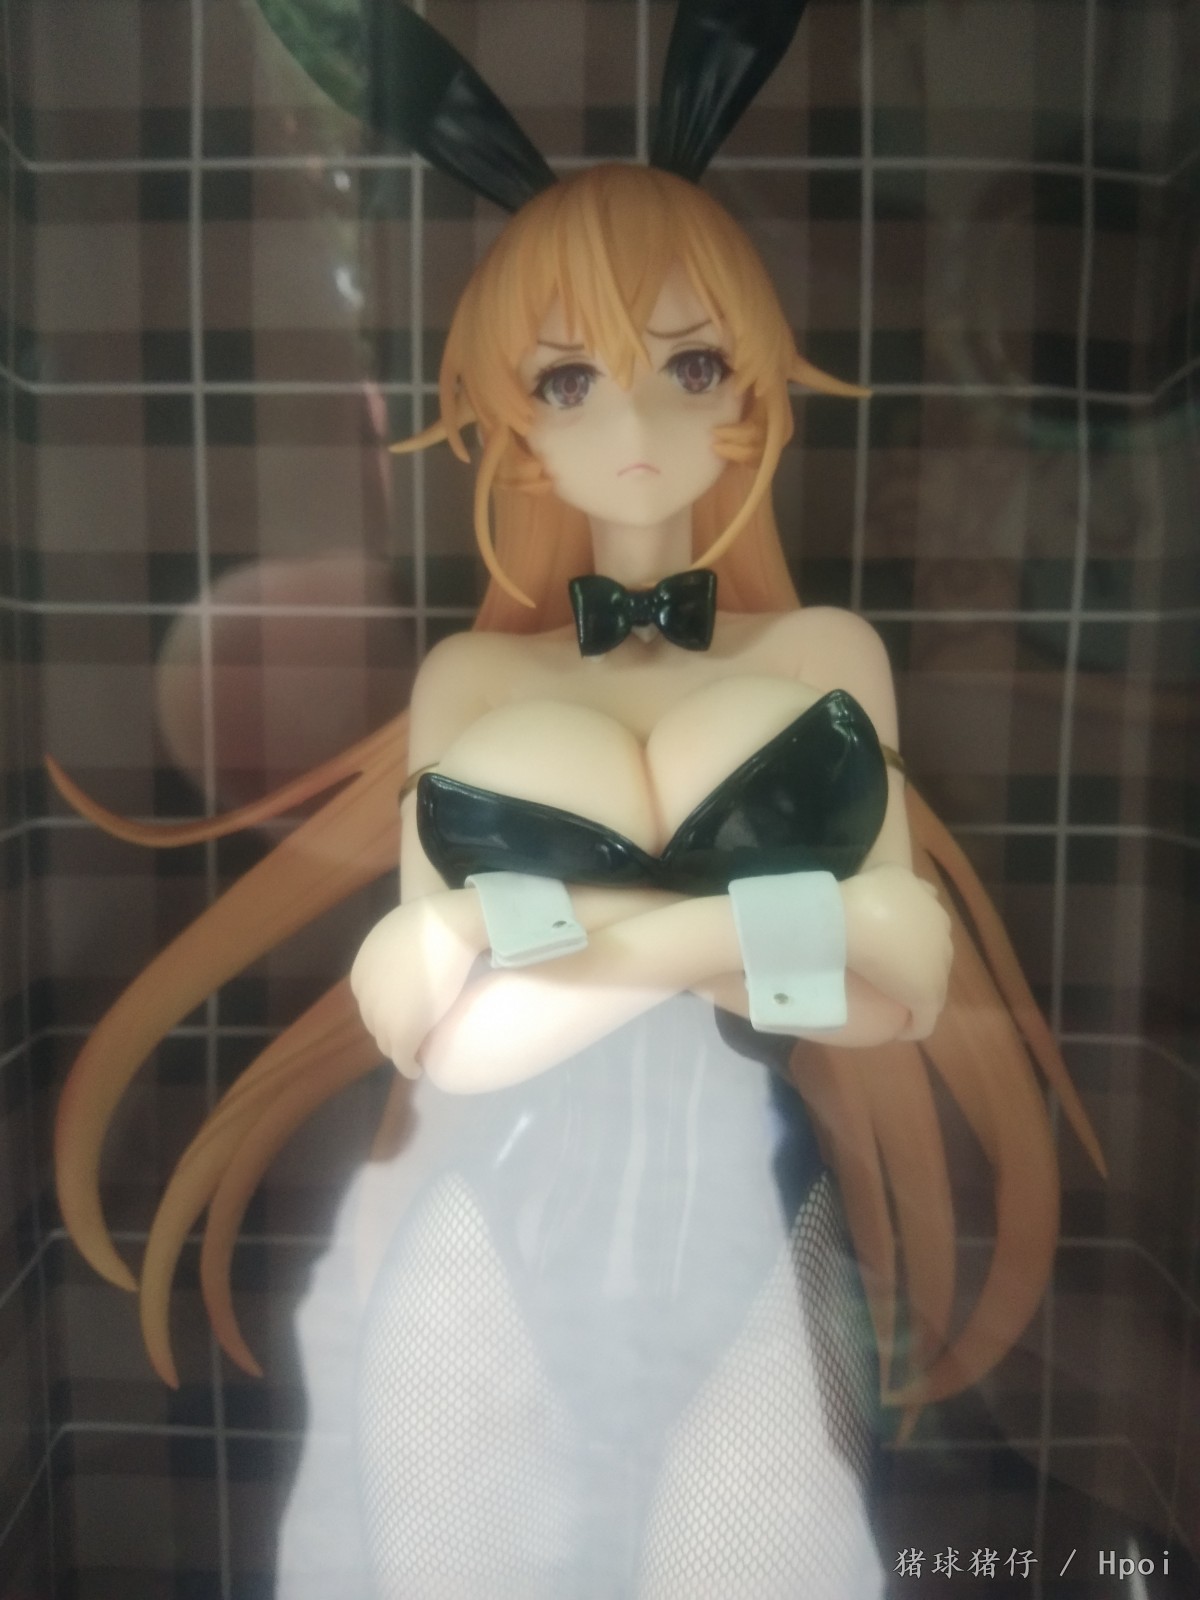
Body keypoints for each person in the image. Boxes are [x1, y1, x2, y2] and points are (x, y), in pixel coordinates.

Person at [49, 6, 1103, 1596]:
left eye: (690, 363)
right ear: (510, 412)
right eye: (569, 376)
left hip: (760, 1220)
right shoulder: (475, 682)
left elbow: (901, 982)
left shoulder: (825, 655)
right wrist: (743, 933)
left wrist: (560, 938)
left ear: (750, 383)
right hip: (484, 1221)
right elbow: (434, 1023)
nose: (635, 423)